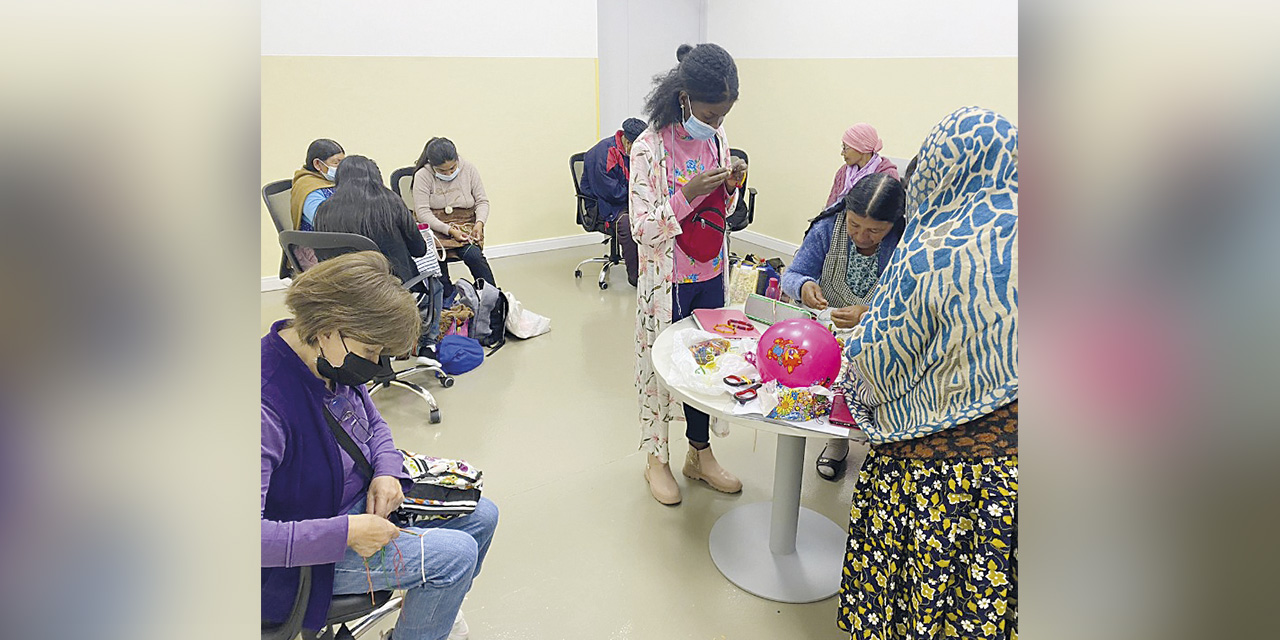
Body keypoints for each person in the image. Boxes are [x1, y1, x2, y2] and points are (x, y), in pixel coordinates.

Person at [835, 107, 1017, 639]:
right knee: (986, 598)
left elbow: (877, 364)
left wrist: (854, 387)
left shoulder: (933, 251)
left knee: (928, 593)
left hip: (943, 471)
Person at [261, 251, 498, 640]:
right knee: (454, 557)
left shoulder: (329, 356)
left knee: (484, 515)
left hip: (349, 506)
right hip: (301, 559)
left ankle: (428, 615)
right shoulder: (265, 405)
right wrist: (346, 533)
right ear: (328, 329)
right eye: (372, 352)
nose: (375, 365)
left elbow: (373, 423)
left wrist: (386, 470)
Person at [630, 43, 749, 505]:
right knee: (663, 368)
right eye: (710, 113)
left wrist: (730, 188)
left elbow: (720, 212)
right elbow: (642, 229)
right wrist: (687, 194)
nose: (717, 124)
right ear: (683, 96)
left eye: (723, 115)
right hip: (667, 281)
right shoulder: (648, 147)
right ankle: (656, 459)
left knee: (707, 365)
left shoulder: (716, 140)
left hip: (710, 275)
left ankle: (699, 455)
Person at [779, 172, 907, 481]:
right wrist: (805, 286)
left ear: (893, 224)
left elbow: (909, 298)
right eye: (854, 225)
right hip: (829, 331)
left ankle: (878, 445)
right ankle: (837, 443)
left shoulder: (906, 241)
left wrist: (871, 312)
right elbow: (793, 273)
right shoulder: (826, 229)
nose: (862, 237)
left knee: (877, 393)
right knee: (834, 387)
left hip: (880, 332)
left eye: (875, 231)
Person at [314, 155, 445, 355]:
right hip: (391, 290)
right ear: (376, 177)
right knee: (436, 285)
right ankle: (426, 344)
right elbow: (420, 249)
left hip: (346, 295)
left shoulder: (323, 210)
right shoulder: (390, 201)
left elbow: (323, 259)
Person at [411, 137, 496, 298]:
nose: (449, 173)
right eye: (443, 171)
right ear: (432, 165)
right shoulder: (423, 175)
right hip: (435, 230)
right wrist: (449, 230)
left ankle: (492, 298)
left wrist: (479, 223)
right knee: (437, 264)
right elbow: (422, 213)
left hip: (465, 226)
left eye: (452, 168)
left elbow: (482, 201)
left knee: (474, 255)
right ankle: (447, 303)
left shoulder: (469, 169)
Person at [580, 117, 648, 286]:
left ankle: (651, 273)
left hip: (627, 200)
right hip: (603, 205)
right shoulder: (603, 153)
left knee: (654, 218)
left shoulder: (634, 152)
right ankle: (636, 278)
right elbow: (611, 192)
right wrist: (639, 196)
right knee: (628, 223)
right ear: (629, 142)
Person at [824, 123, 898, 209]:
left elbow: (890, 212)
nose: (842, 153)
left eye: (845, 148)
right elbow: (829, 207)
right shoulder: (843, 172)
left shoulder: (887, 176)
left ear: (861, 148)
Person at [291, 138, 346, 231]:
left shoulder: (332, 181)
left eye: (343, 163)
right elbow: (324, 223)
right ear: (317, 164)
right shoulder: (307, 187)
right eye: (336, 163)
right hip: (316, 241)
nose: (341, 168)